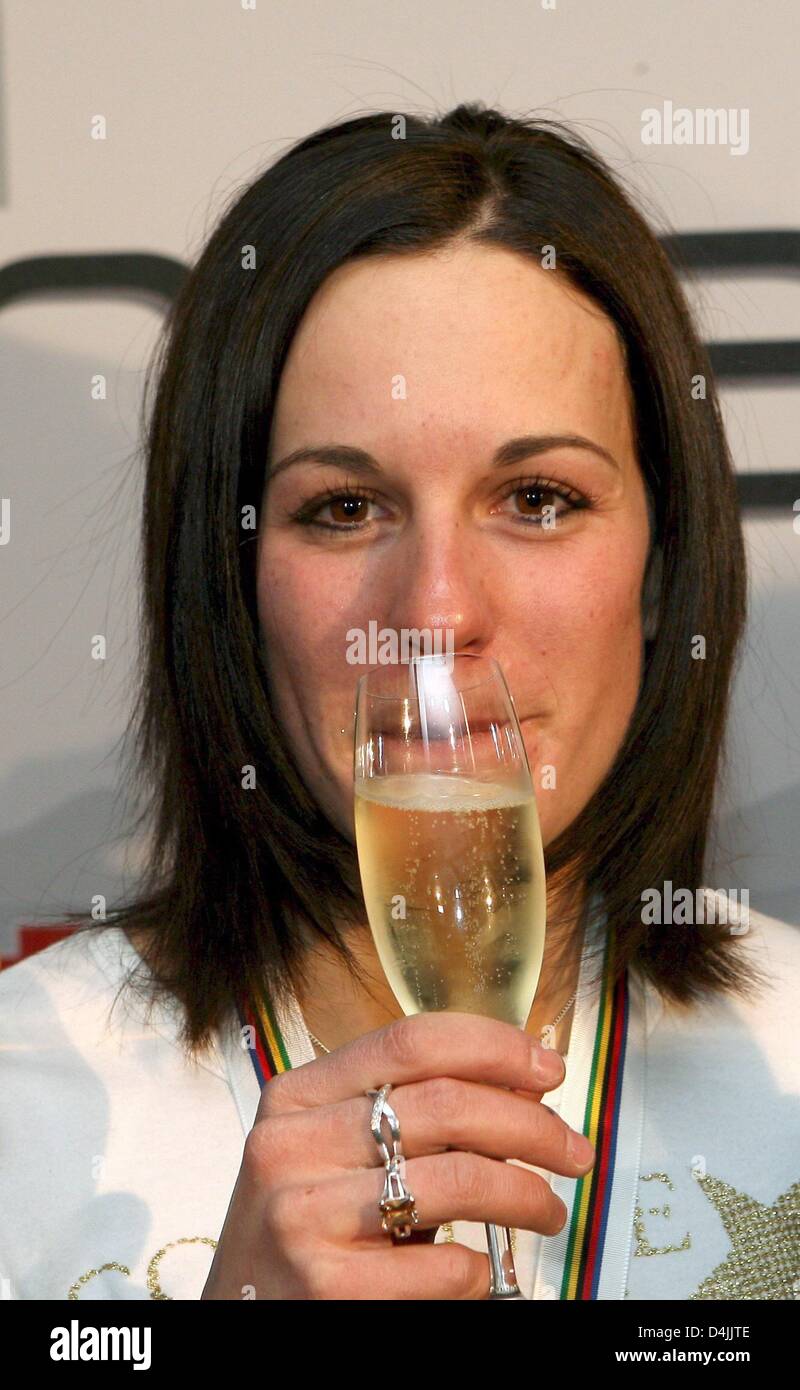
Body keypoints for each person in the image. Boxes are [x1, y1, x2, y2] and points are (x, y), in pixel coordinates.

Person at [1, 101, 798, 1302]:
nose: (431, 614)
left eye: (535, 498)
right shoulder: (25, 1111)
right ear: (230, 578)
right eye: (343, 507)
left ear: (662, 561)